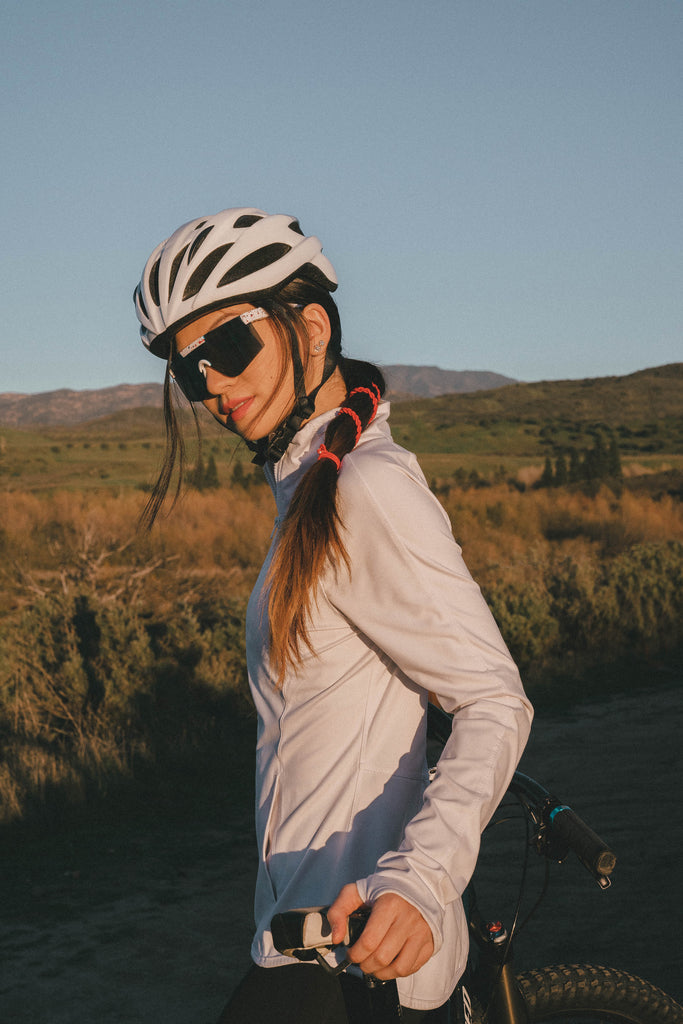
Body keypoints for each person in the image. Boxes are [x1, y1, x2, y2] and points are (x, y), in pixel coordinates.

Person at [134, 207, 533, 1023]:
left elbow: (493, 700)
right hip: (300, 937)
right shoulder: (309, 487)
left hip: (357, 958)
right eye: (187, 369)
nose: (208, 383)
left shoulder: (365, 489)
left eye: (228, 345)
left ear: (308, 327)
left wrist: (420, 882)